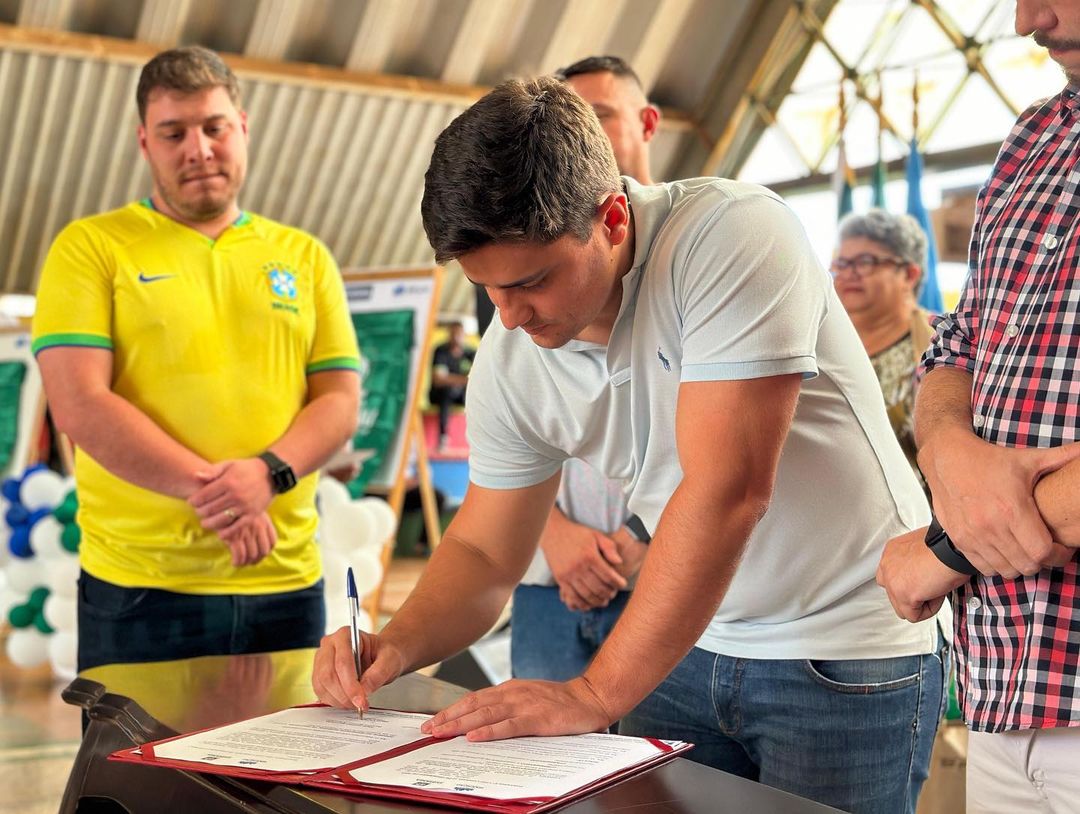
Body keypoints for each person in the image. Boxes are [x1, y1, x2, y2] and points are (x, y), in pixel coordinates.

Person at [314, 76, 946, 813]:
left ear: (613, 216)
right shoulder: (511, 356)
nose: (511, 317)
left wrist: (592, 692)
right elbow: (486, 552)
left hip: (843, 646)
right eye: (487, 290)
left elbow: (727, 490)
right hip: (683, 641)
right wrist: (397, 643)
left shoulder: (733, 235)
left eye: (533, 281)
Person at [31, 46, 361, 673]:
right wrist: (222, 496)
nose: (198, 149)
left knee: (277, 774)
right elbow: (79, 403)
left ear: (243, 129)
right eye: (173, 132)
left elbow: (339, 402)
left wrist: (266, 476)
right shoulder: (91, 247)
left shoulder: (305, 256)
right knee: (137, 775)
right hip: (141, 586)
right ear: (144, 143)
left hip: (284, 582)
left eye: (214, 128)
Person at [876, 2, 1080, 810]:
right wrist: (947, 445)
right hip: (1004, 682)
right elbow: (962, 334)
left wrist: (951, 542)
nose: (1030, 19)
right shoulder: (1035, 136)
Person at [512, 55, 658, 682]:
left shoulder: (700, 249)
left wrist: (649, 533)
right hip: (552, 579)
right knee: (546, 769)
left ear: (646, 123)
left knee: (667, 778)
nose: (582, 140)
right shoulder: (517, 256)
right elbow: (505, 424)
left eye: (597, 117)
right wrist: (553, 534)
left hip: (673, 576)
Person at [832, 210, 933, 494]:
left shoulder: (943, 348)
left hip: (924, 525)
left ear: (909, 274)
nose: (849, 272)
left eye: (866, 261)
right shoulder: (822, 349)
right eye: (842, 263)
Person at [429, 321, 475, 450]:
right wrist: (465, 379)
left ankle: (481, 436)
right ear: (448, 334)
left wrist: (451, 379)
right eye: (453, 333)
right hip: (440, 395)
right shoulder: (440, 351)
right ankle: (443, 437)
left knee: (479, 393)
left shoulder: (471, 353)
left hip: (463, 394)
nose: (456, 337)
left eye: (459, 334)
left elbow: (480, 378)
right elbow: (438, 380)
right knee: (447, 391)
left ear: (464, 335)